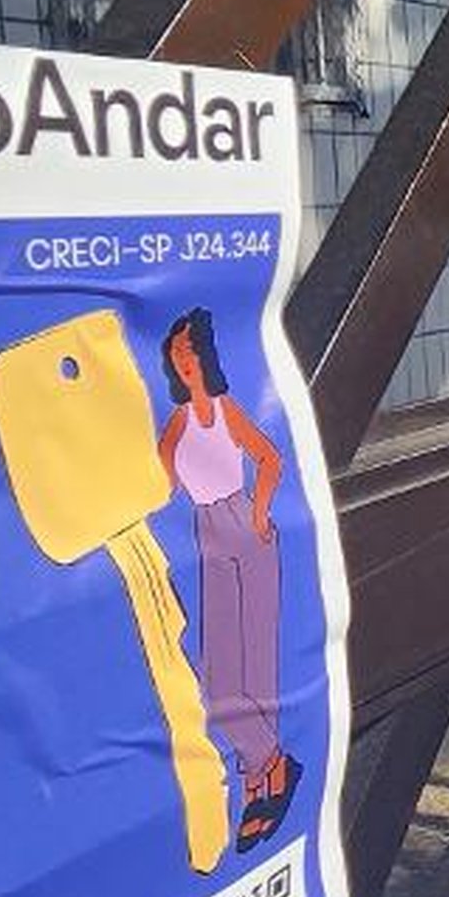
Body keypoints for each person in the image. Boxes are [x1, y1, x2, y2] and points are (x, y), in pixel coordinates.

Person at [158, 309, 300, 851]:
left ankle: (256, 787)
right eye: (176, 354)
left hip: (244, 525)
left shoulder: (222, 410)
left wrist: (260, 513)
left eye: (189, 352)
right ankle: (273, 767)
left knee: (258, 663)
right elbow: (161, 480)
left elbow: (268, 458)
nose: (183, 361)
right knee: (221, 676)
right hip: (208, 534)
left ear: (206, 358)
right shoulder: (178, 422)